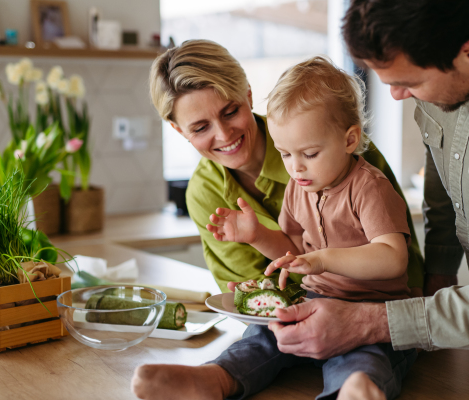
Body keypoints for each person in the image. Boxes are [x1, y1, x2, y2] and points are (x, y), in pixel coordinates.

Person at [267, 0, 469, 387]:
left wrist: (366, 322)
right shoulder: (437, 50)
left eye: (408, 83)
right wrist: (438, 274)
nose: (395, 97)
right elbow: (447, 180)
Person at [133, 56, 418, 400]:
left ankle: (354, 389)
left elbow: (394, 259)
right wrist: (257, 236)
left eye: (308, 153)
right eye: (285, 155)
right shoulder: (302, 185)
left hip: (372, 309)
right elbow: (295, 253)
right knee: (260, 341)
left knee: (362, 358)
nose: (295, 168)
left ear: (350, 140)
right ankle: (216, 378)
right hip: (312, 300)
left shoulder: (367, 185)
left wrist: (322, 260)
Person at [147, 39, 424, 295]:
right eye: (200, 127)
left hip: (381, 308)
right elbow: (283, 263)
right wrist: (256, 276)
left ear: (248, 95)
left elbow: (399, 257)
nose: (224, 135)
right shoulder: (204, 193)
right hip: (304, 312)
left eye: (230, 111)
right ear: (178, 130)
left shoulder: (336, 142)